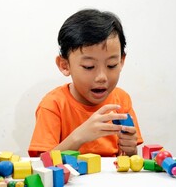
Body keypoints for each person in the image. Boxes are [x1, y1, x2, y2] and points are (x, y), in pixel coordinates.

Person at [28, 8, 143, 157]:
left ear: (121, 61)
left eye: (111, 65)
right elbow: (42, 163)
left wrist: (130, 150)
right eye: (89, 67)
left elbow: (130, 159)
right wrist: (79, 137)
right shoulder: (53, 105)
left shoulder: (121, 101)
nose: (102, 77)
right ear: (65, 65)